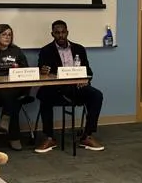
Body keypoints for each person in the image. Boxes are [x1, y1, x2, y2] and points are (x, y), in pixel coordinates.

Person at [36, 20, 104, 152]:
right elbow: (41, 70)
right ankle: (49, 138)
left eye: (63, 32)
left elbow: (88, 71)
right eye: (57, 33)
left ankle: (87, 136)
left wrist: (85, 80)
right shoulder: (46, 50)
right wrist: (43, 71)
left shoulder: (79, 49)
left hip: (77, 86)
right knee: (44, 94)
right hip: (57, 88)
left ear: (67, 32)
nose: (61, 35)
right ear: (52, 34)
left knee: (96, 95)